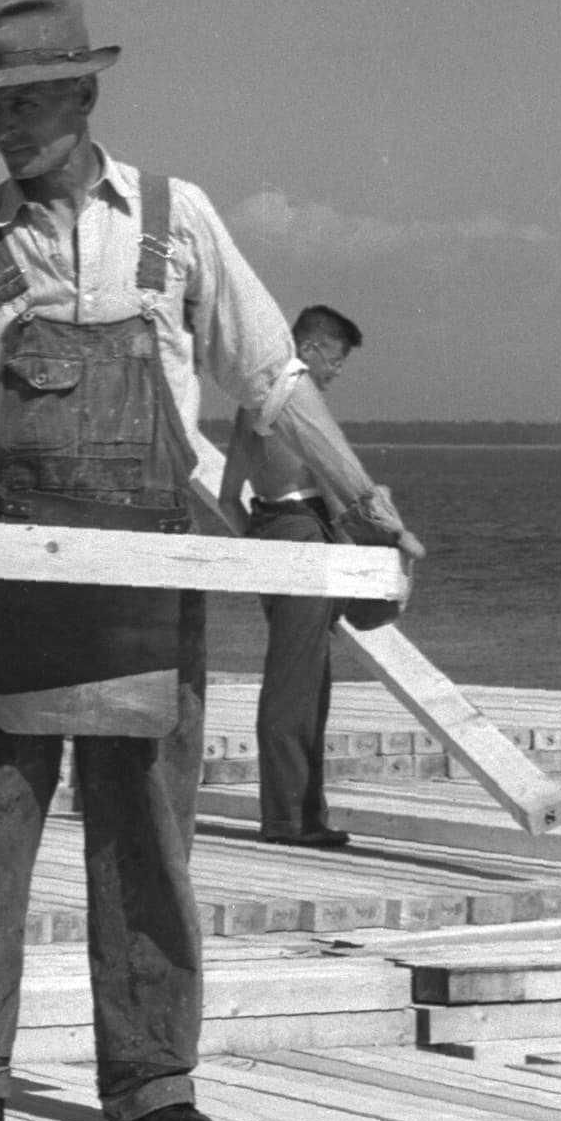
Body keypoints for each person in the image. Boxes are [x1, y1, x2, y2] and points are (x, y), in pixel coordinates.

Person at [0, 0, 417, 1121]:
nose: (10, 125)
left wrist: (366, 503)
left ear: (86, 96)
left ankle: (154, 1078)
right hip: (5, 589)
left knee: (148, 834)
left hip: (146, 584)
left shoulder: (177, 222)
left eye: (30, 101)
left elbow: (268, 381)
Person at [218, 301, 371, 848]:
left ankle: (302, 815)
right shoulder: (298, 411)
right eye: (333, 362)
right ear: (308, 350)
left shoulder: (253, 406)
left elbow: (227, 497)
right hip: (304, 532)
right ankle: (289, 820)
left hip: (276, 530)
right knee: (298, 688)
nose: (333, 375)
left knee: (306, 682)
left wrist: (261, 548)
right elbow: (336, 490)